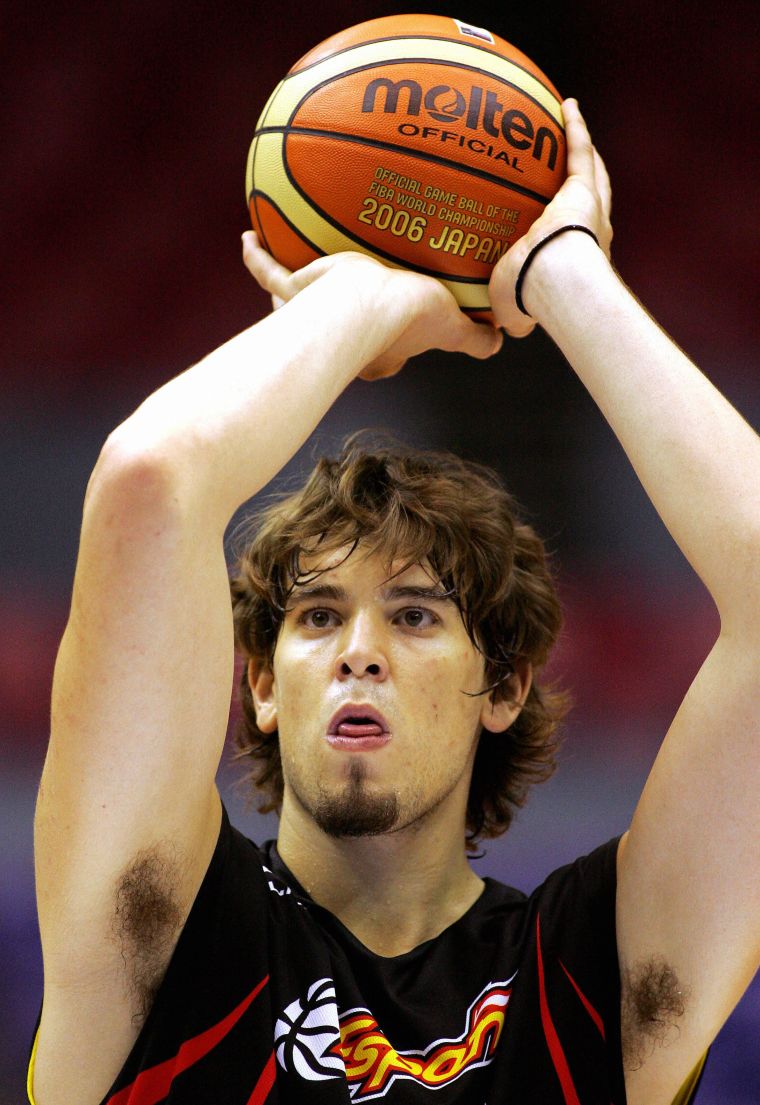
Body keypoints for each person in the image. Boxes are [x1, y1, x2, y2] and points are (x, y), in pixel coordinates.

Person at [28, 100, 759, 1105]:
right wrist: (363, 294)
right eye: (317, 616)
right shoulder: (157, 941)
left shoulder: (590, 979)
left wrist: (561, 270)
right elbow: (151, 482)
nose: (358, 650)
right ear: (260, 684)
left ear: (504, 684)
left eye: (415, 614)